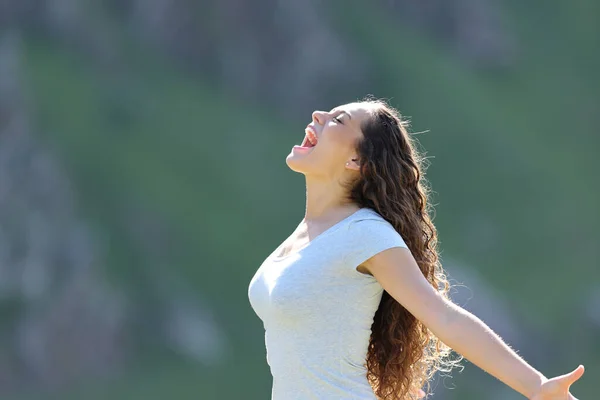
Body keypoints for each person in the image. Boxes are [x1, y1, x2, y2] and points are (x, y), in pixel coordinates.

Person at [247, 98, 584, 399]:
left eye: (338, 120)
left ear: (356, 160)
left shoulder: (365, 234)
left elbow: (444, 316)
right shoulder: (303, 237)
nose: (318, 114)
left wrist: (537, 387)